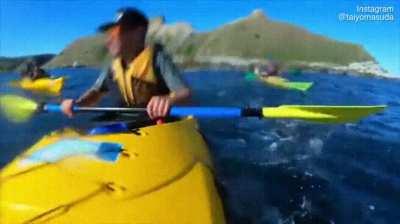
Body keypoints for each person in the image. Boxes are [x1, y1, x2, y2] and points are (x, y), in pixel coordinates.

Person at [61, 7, 190, 120]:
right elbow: (96, 92)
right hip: (130, 122)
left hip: (161, 122)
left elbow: (184, 94)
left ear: (139, 33)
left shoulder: (157, 58)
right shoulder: (113, 66)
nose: (109, 40)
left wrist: (168, 100)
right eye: (108, 34)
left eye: (116, 32)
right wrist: (77, 103)